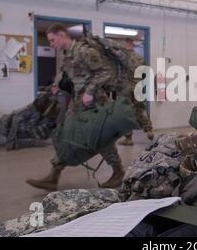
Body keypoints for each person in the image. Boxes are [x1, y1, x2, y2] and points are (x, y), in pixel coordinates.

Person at [26, 24, 126, 191]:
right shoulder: (67, 56)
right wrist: (58, 86)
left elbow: (106, 73)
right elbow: (72, 78)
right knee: (66, 136)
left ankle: (118, 171)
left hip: (96, 104)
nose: (51, 44)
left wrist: (90, 91)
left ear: (62, 35)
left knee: (100, 139)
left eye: (52, 40)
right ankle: (53, 175)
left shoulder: (84, 51)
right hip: (78, 104)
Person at [117, 37, 154, 146]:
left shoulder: (121, 58)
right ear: (133, 45)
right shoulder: (140, 57)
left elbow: (117, 74)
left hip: (125, 88)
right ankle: (149, 131)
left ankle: (128, 138)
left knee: (125, 112)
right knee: (141, 109)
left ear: (125, 44)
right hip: (138, 87)